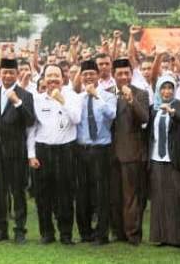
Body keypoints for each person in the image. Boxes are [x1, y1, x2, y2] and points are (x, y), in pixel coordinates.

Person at [27, 64, 82, 245]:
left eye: (56, 75)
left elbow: (76, 119)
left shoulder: (72, 96)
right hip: (43, 150)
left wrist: (62, 101)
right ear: (43, 79)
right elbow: (32, 129)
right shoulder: (37, 99)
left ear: (63, 77)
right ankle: (46, 233)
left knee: (65, 193)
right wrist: (31, 154)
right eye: (49, 76)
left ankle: (66, 233)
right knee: (43, 195)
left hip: (66, 149)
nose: (52, 79)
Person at [0, 58, 35, 243]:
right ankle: (1, 229)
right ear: (0, 73)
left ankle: (20, 230)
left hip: (17, 153)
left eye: (11, 73)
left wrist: (17, 102)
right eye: (4, 72)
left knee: (18, 192)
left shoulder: (25, 95)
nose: (7, 76)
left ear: (17, 74)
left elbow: (30, 121)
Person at [147, 75, 180, 248]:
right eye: (163, 88)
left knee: (177, 197)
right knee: (159, 198)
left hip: (175, 158)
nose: (166, 92)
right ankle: (162, 236)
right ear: (158, 90)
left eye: (169, 88)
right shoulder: (153, 108)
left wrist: (174, 113)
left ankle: (179, 238)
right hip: (157, 158)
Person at [72, 60, 116, 245]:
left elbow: (112, 115)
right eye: (85, 74)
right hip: (81, 150)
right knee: (82, 192)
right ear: (81, 78)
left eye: (92, 73)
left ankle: (101, 234)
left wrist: (96, 95)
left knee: (100, 192)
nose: (89, 77)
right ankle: (85, 232)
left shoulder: (108, 95)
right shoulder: (78, 98)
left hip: (101, 149)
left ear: (98, 75)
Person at [106, 58, 150, 245]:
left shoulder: (141, 93)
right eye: (120, 74)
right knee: (114, 195)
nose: (123, 77)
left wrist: (131, 100)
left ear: (132, 74)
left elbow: (144, 118)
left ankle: (133, 234)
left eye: (127, 73)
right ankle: (118, 232)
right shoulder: (106, 93)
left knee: (131, 196)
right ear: (113, 75)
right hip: (109, 152)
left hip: (131, 152)